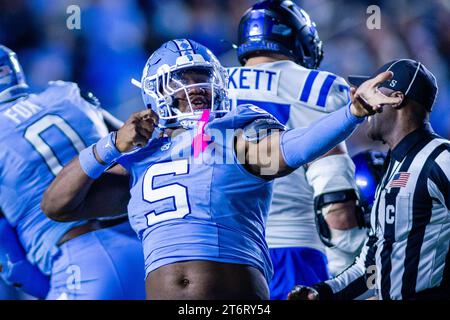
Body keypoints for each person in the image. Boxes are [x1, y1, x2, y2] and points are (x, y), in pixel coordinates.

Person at [41, 39, 401, 300]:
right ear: (155, 92)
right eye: (181, 79)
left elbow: (294, 146)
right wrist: (109, 146)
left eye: (202, 77)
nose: (195, 87)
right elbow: (57, 206)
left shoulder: (236, 134)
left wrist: (351, 113)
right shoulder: (139, 159)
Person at [227, 0, 367, 298]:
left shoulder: (210, 88)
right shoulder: (319, 87)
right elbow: (335, 201)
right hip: (292, 250)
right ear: (296, 38)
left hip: (216, 256)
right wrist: (353, 264)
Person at [288, 59, 450, 300]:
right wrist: (321, 292)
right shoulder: (392, 165)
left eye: (372, 91)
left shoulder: (441, 157)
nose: (361, 98)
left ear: (396, 98)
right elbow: (371, 265)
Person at [0, 45, 145, 300]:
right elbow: (137, 149)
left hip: (75, 264)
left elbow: (11, 263)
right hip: (142, 246)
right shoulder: (67, 93)